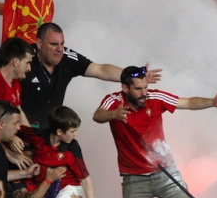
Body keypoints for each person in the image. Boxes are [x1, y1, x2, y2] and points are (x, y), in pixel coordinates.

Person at [93, 66, 217, 198]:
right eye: (138, 89)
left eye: (146, 87)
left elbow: (188, 102)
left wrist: (212, 102)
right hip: (134, 179)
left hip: (166, 174)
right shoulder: (114, 101)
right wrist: (113, 115)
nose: (144, 93)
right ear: (125, 89)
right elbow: (97, 115)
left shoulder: (156, 97)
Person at [22, 22, 162, 128]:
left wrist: (133, 76)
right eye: (53, 44)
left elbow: (101, 70)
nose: (60, 49)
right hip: (20, 130)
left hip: (51, 131)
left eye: (62, 44)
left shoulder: (68, 57)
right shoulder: (24, 58)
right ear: (39, 43)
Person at [19, 106, 101, 198]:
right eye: (72, 131)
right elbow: (16, 128)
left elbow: (85, 179)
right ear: (59, 132)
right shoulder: (38, 136)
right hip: (46, 189)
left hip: (68, 188)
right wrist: (12, 140)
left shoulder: (73, 146)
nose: (76, 134)